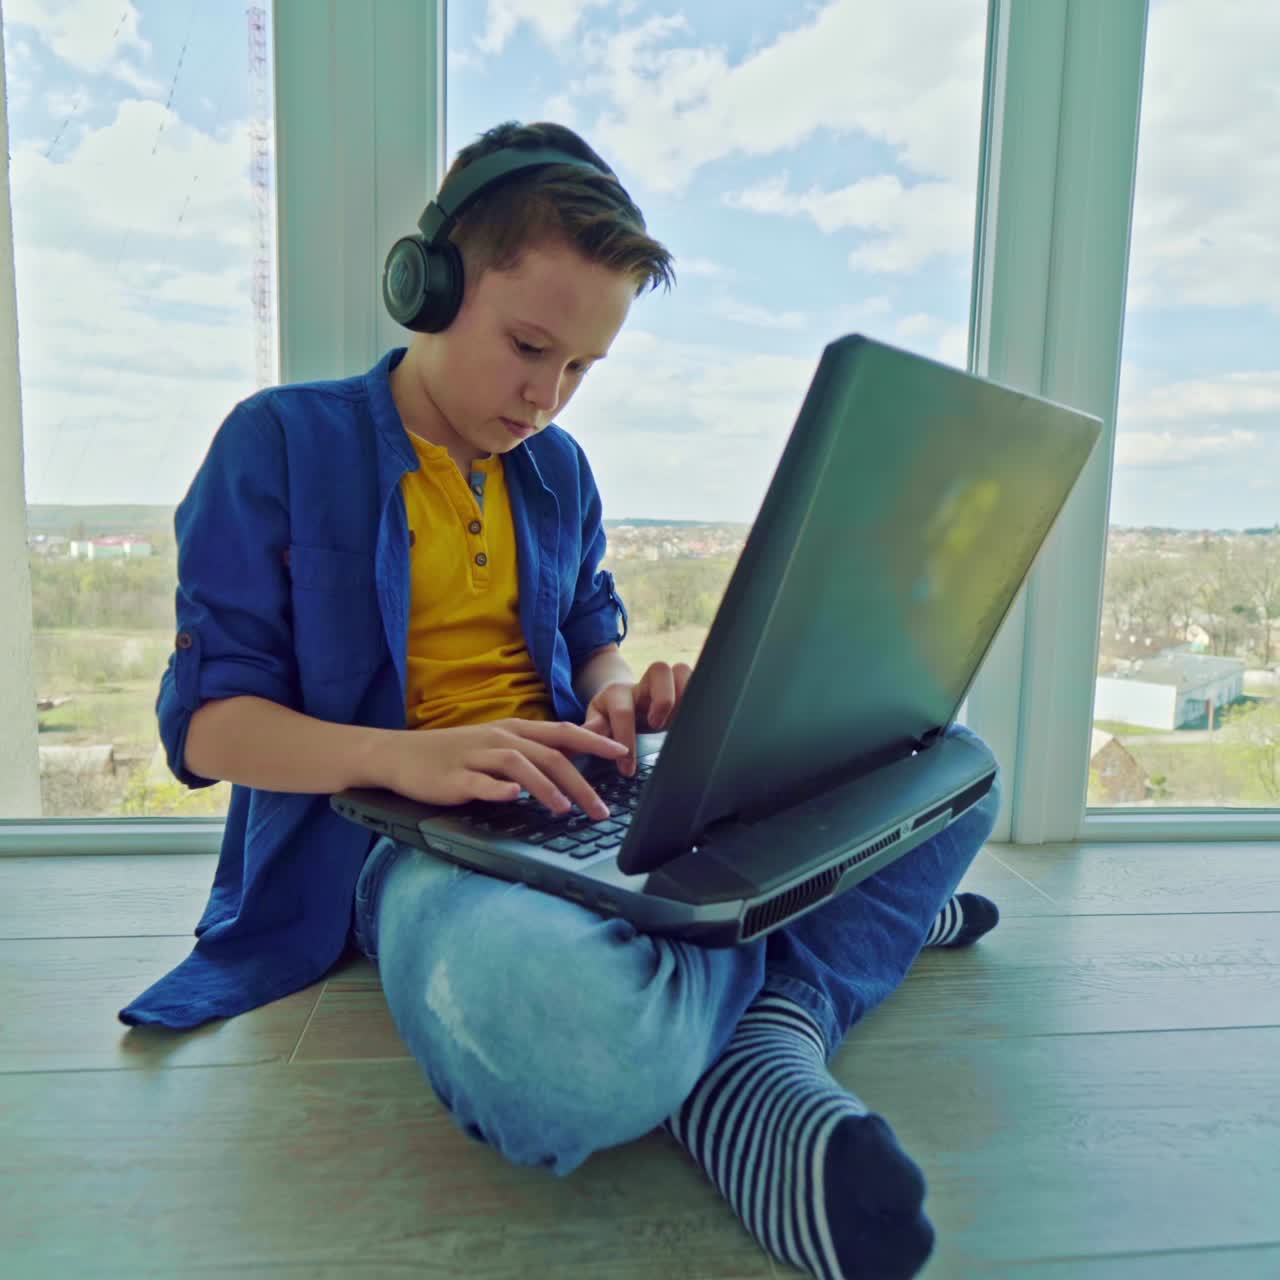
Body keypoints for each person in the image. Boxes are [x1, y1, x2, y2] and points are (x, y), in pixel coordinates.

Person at [120, 120, 1003, 1280]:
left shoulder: (555, 469)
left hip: (583, 790)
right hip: (411, 840)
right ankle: (813, 937)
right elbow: (208, 726)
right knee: (555, 1033)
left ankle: (763, 1015)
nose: (546, 397)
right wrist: (409, 757)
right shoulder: (278, 444)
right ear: (430, 283)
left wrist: (625, 696)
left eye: (582, 368)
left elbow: (591, 633)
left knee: (950, 762)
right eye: (528, 347)